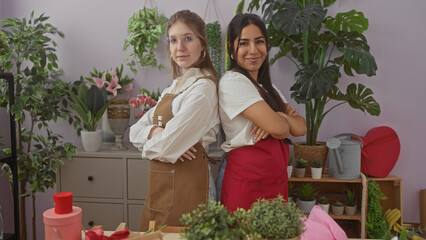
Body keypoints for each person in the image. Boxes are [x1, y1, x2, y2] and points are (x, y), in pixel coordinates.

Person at [129, 10, 219, 230]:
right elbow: (134, 132)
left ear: (203, 44)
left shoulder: (203, 88)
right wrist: (155, 133)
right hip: (161, 187)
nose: (180, 47)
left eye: (188, 38)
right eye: (173, 40)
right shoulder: (174, 86)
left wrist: (164, 141)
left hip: (191, 186)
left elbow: (167, 147)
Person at [217, 13, 307, 212]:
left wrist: (280, 116)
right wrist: (281, 119)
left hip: (274, 182)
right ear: (231, 48)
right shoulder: (232, 82)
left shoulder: (269, 88)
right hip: (246, 183)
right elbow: (281, 129)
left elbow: (300, 128)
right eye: (243, 43)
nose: (253, 50)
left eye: (259, 42)